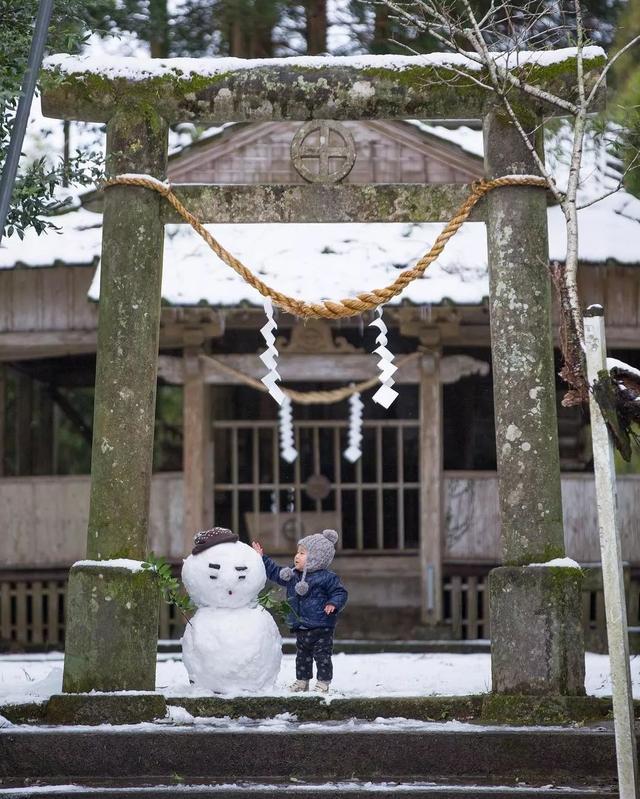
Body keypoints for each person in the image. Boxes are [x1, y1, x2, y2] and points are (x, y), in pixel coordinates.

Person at [251, 529, 348, 693]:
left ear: (316, 557)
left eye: (302, 553)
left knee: (322, 656)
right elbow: (275, 573)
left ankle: (323, 682)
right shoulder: (293, 574)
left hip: (322, 625)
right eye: (297, 552)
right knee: (302, 656)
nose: (297, 556)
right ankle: (302, 681)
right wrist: (262, 558)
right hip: (301, 624)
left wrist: (333, 603)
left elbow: (340, 592)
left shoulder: (327, 577)